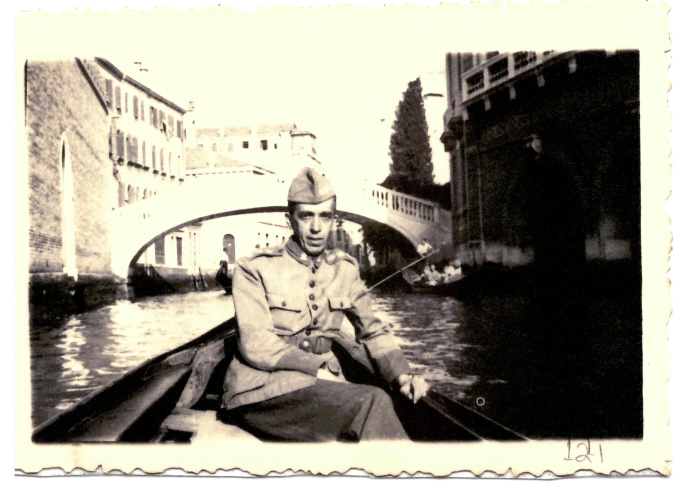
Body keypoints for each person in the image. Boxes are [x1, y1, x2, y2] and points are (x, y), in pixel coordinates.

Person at [221, 167, 429, 442]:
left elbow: (373, 331)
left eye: (325, 216)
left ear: (333, 219)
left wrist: (403, 376)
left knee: (391, 399)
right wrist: (317, 368)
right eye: (306, 216)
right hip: (261, 391)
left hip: (322, 386)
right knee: (372, 401)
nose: (317, 228)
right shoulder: (254, 268)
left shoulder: (345, 269)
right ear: (290, 220)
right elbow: (256, 343)